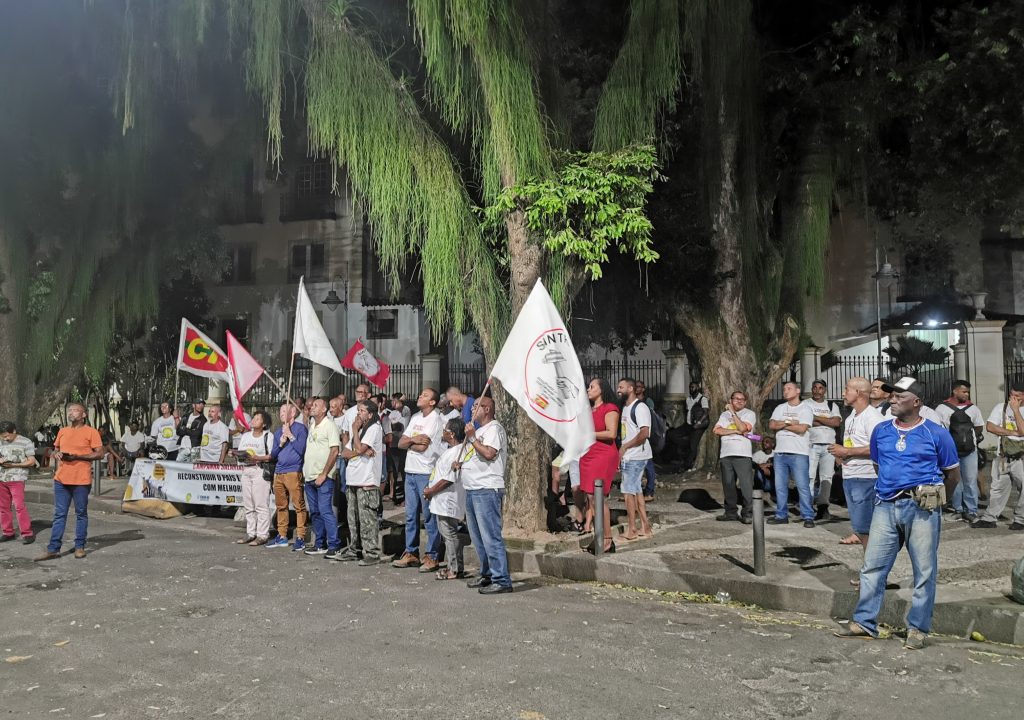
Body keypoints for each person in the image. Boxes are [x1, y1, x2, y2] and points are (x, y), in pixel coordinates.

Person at [835, 377, 960, 650]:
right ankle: (864, 622)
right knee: (872, 567)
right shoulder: (881, 431)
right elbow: (878, 465)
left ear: (916, 402)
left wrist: (940, 501)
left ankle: (917, 629)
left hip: (922, 509)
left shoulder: (936, 433)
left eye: (899, 396)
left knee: (924, 571)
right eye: (892, 395)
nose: (892, 399)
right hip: (885, 506)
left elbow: (953, 474)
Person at [457, 396, 512, 594]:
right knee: (478, 537)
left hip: (487, 488)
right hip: (473, 488)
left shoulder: (494, 429)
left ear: (487, 409)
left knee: (490, 536)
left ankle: (501, 579)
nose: (472, 410)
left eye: (476, 407)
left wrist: (472, 438)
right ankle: (487, 573)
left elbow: (489, 453)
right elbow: (474, 455)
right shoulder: (478, 430)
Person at [35, 404, 103, 561]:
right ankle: (53, 549)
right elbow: (54, 449)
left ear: (84, 414)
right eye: (69, 411)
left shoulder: (91, 432)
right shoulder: (63, 431)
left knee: (81, 514)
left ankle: (79, 546)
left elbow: (99, 453)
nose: (71, 413)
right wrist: (56, 453)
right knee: (59, 514)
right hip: (61, 480)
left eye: (75, 410)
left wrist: (78, 457)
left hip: (81, 480)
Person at [828, 378, 885, 556]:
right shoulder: (852, 416)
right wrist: (842, 454)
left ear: (858, 393)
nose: (843, 393)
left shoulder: (873, 417)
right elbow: (853, 444)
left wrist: (847, 451)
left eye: (847, 389)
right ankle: (869, 568)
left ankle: (872, 570)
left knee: (867, 530)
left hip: (866, 478)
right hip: (850, 476)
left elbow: (879, 447)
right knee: (860, 530)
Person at [393, 387, 444, 571]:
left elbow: (424, 447)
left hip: (425, 471)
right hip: (411, 470)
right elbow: (400, 442)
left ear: (432, 402)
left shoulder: (435, 419)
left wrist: (410, 442)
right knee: (410, 515)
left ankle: (432, 555)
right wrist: (414, 440)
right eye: (421, 393)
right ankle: (411, 552)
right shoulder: (415, 418)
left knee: (429, 516)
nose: (420, 396)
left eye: (425, 395)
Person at [973, 380, 1024, 531]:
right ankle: (989, 518)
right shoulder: (1001, 407)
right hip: (1002, 456)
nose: (1013, 398)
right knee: (997, 489)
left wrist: (1016, 411)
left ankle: (1020, 520)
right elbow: (990, 427)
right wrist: (1013, 432)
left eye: (1018, 396)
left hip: (1021, 457)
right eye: (1012, 395)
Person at [339, 399, 384, 565]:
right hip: (353, 479)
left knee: (367, 520)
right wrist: (361, 451)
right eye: (358, 411)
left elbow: (358, 448)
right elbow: (345, 452)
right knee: (353, 519)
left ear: (370, 414)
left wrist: (354, 432)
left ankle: (372, 552)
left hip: (367, 480)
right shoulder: (360, 429)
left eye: (362, 411)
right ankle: (354, 549)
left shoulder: (374, 428)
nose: (358, 414)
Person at [934, 380, 985, 523]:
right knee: (955, 480)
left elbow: (979, 426)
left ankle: (971, 510)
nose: (967, 394)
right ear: (955, 391)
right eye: (964, 391)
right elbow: (937, 429)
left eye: (968, 392)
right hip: (951, 451)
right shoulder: (941, 409)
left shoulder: (973, 408)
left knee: (970, 481)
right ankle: (958, 509)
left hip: (970, 451)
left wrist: (967, 440)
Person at [578, 378, 620, 549]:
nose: (588, 389)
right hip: (588, 454)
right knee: (591, 498)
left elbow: (611, 433)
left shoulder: (610, 408)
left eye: (592, 387)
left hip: (603, 455)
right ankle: (599, 536)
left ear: (601, 390)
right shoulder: (588, 410)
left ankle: (607, 539)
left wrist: (589, 433)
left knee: (598, 497)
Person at [424, 418, 468, 580]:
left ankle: (454, 569)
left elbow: (449, 479)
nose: (442, 432)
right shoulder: (451, 450)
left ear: (452, 434)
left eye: (445, 430)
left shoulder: (457, 452)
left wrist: (431, 491)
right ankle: (455, 566)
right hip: (441, 499)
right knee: (448, 533)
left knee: (449, 534)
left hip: (447, 499)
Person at [767, 381, 815, 527]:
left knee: (802, 485)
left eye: (789, 388)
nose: (785, 391)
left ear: (798, 390)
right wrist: (789, 422)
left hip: (798, 453)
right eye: (784, 389)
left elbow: (802, 428)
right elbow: (772, 425)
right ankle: (781, 515)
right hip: (780, 453)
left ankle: (808, 516)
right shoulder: (780, 408)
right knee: (780, 486)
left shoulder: (805, 408)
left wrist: (782, 424)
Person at [301, 398, 341, 557]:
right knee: (315, 512)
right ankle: (320, 544)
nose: (312, 407)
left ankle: (334, 545)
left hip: (323, 477)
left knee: (325, 511)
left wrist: (324, 473)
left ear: (324, 409)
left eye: (316, 405)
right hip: (309, 476)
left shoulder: (329, 425)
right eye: (312, 405)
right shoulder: (312, 425)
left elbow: (334, 451)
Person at [266, 403, 309, 549]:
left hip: (293, 471)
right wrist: (281, 443)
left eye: (285, 410)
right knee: (281, 506)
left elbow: (302, 449)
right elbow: (273, 454)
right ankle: (282, 535)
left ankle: (301, 537)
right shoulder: (278, 431)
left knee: (298, 505)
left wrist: (290, 435)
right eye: (280, 411)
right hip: (279, 471)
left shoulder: (300, 428)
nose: (282, 413)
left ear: (293, 413)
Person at [712, 390, 757, 523]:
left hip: (742, 454)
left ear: (745, 402)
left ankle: (747, 513)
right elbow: (716, 430)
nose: (739, 401)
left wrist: (732, 413)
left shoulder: (749, 414)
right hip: (726, 453)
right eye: (736, 399)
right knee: (728, 485)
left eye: (742, 399)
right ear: (731, 400)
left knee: (746, 485)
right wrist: (735, 431)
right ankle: (730, 512)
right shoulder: (724, 415)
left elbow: (743, 428)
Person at [617, 377, 653, 542]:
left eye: (621, 387)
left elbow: (644, 433)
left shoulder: (640, 408)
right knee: (636, 491)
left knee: (628, 492)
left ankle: (632, 529)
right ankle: (645, 527)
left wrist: (625, 447)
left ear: (630, 389)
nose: (618, 390)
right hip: (631, 455)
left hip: (635, 456)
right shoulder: (626, 408)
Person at [234, 410, 274, 546]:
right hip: (246, 470)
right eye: (254, 418)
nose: (254, 420)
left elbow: (271, 455)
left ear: (264, 424)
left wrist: (258, 458)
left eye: (258, 419)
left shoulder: (268, 436)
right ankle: (250, 533)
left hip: (259, 470)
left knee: (261, 504)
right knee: (248, 504)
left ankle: (262, 534)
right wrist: (235, 454)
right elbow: (241, 452)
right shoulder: (246, 436)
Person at [804, 379, 842, 521]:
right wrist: (827, 421)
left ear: (824, 390)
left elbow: (836, 422)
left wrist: (816, 418)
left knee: (827, 477)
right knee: (810, 476)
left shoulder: (832, 405)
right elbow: (806, 421)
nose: (817, 390)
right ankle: (807, 506)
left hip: (829, 446)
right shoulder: (806, 404)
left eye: (820, 388)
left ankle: (823, 506)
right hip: (811, 444)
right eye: (815, 387)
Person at [0, 420, 38, 544]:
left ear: (14, 431)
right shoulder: (1, 441)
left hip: (17, 478)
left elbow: (31, 461)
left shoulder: (26, 442)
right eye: (3, 436)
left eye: (7, 436)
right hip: (2, 478)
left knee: (19, 506)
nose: (5, 439)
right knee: (3, 507)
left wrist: (14, 465)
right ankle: (7, 532)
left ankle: (27, 533)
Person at [636, 381, 657, 498]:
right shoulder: (631, 402)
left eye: (639, 387)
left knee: (648, 466)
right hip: (635, 438)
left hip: (645, 437)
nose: (636, 388)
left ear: (643, 389)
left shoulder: (647, 402)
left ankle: (649, 491)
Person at [684, 382, 710, 470]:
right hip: (689, 424)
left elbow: (706, 413)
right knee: (673, 435)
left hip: (699, 425)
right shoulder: (688, 399)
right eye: (690, 387)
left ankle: (688, 465)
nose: (691, 389)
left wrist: (699, 422)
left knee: (693, 445)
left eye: (693, 387)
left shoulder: (702, 399)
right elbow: (688, 411)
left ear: (698, 388)